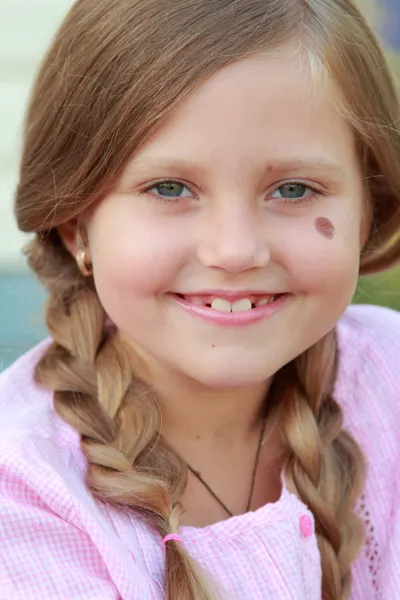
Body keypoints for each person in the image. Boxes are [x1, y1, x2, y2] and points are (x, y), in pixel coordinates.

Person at [1, 0, 400, 598]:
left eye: (294, 188)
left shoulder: (389, 381)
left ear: (367, 209)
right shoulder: (23, 493)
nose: (236, 251)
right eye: (169, 188)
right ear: (75, 225)